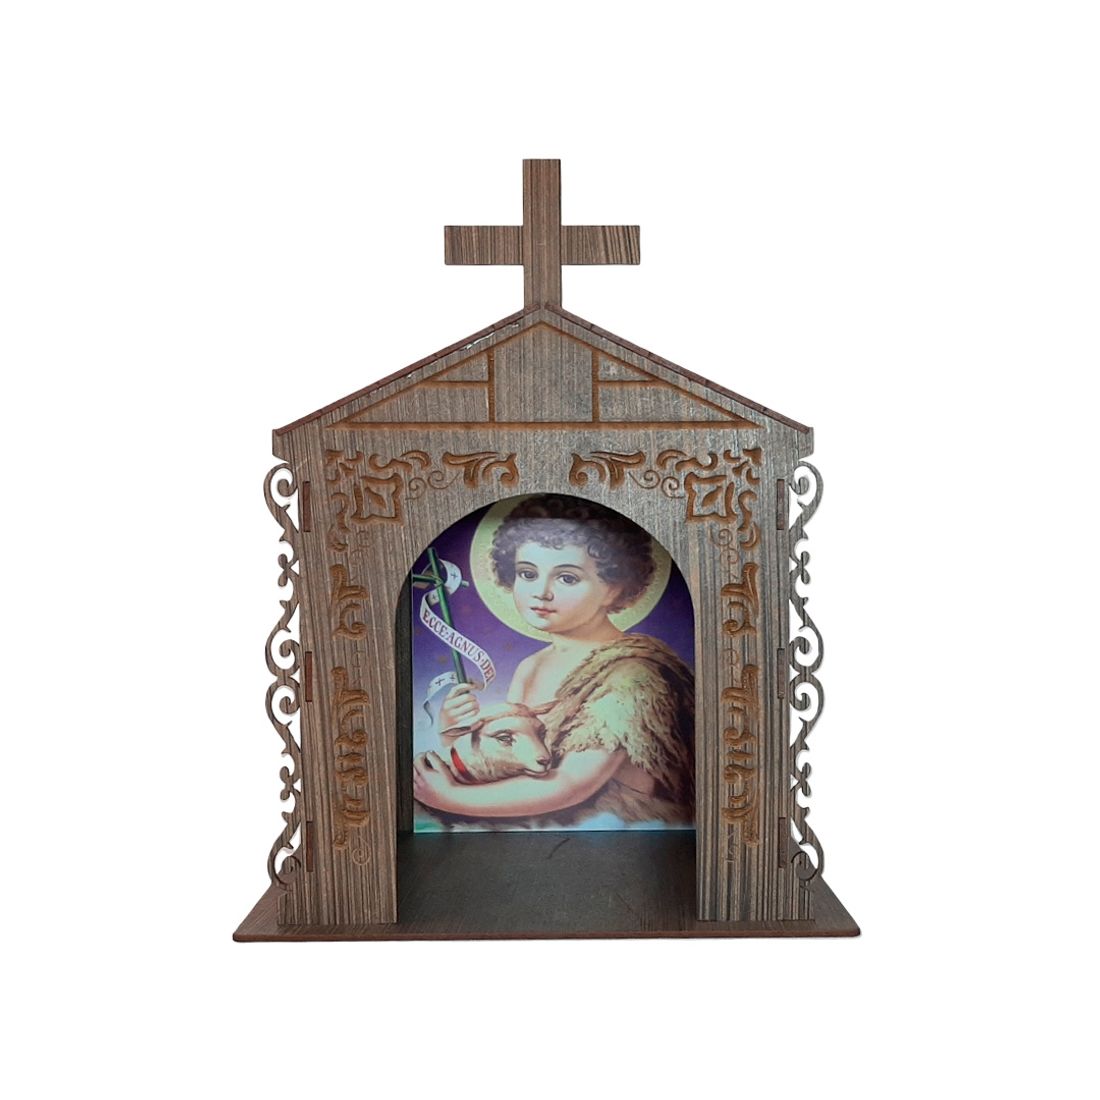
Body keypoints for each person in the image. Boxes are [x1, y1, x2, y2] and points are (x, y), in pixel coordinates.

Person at [412, 494, 694, 826]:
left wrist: (449, 797)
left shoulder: (634, 676)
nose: (541, 592)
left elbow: (571, 785)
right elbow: (513, 762)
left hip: (612, 830)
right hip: (542, 828)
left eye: (567, 578)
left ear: (615, 588)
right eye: (527, 573)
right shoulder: (531, 667)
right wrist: (456, 732)